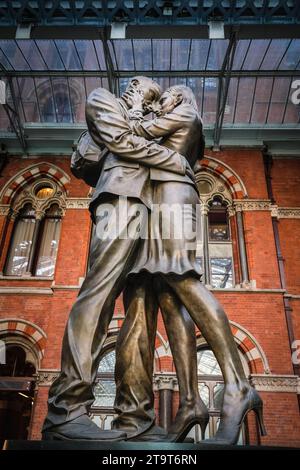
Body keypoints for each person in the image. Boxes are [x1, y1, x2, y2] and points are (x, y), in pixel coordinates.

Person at [42, 77, 195, 441]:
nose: (148, 98)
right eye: (146, 91)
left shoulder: (148, 121)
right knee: (99, 294)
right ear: (132, 87)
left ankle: (135, 419)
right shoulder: (104, 100)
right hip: (119, 201)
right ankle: (66, 411)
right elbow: (122, 142)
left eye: (155, 97)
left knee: (142, 311)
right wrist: (175, 160)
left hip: (149, 209)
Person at [113, 85, 266, 445]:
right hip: (159, 199)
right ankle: (191, 402)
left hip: (173, 197)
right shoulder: (175, 118)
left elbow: (134, 134)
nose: (160, 100)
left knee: (182, 279)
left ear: (179, 98)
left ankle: (238, 386)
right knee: (168, 295)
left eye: (165, 96)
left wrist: (136, 108)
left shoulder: (185, 114)